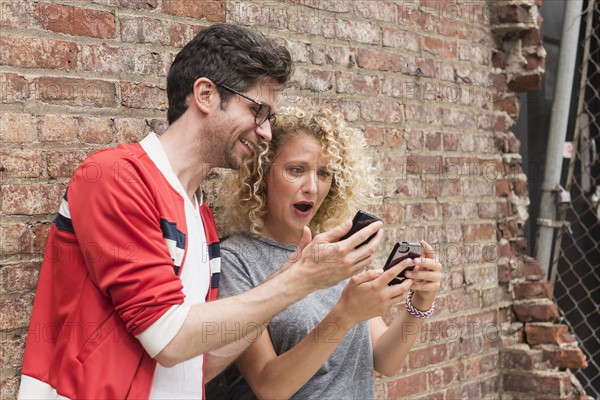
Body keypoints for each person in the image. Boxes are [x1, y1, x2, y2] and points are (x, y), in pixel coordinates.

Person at [17, 24, 384, 399]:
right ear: (206, 94)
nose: (266, 133)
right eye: (257, 110)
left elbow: (201, 361)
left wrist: (289, 281)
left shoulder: (200, 214)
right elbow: (169, 338)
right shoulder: (116, 176)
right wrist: (299, 282)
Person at [214, 106, 443, 399]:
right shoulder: (236, 260)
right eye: (296, 170)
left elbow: (385, 361)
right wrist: (345, 315)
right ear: (262, 173)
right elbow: (269, 386)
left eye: (323, 173)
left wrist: (420, 304)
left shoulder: (341, 253)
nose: (311, 186)